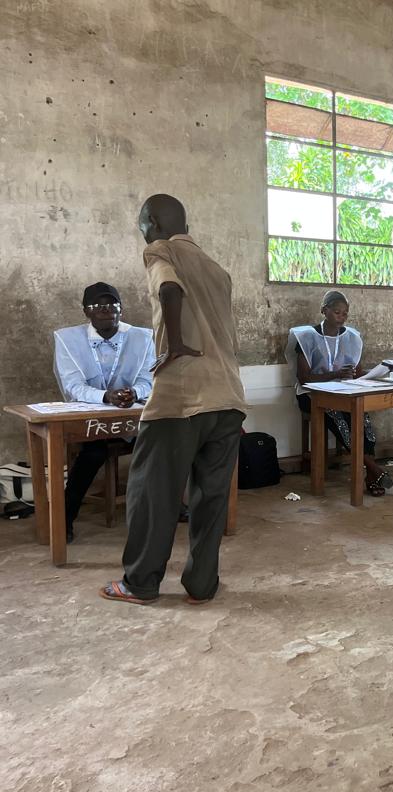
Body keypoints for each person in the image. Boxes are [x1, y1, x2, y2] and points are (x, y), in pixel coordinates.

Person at [100, 194, 247, 606]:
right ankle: (202, 584)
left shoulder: (160, 250)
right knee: (211, 498)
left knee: (152, 493)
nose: (142, 232)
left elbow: (168, 287)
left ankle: (140, 583)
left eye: (142, 224)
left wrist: (176, 345)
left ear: (153, 222)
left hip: (182, 396)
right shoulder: (216, 268)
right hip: (228, 395)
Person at [53, 282, 154, 543]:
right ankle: (65, 518)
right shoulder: (69, 340)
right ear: (86, 311)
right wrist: (105, 396)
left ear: (121, 309)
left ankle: (166, 507)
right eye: (97, 305)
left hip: (129, 417)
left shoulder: (141, 337)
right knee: (93, 453)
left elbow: (149, 379)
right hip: (92, 419)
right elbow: (73, 385)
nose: (106, 310)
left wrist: (134, 393)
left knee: (159, 443)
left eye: (112, 304)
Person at [287, 290, 393, 496]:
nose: (341, 317)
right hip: (312, 395)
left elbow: (358, 373)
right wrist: (335, 374)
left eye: (345, 313)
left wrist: (373, 374)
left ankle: (372, 474)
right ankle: (374, 469)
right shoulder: (307, 337)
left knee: (363, 420)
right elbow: (304, 378)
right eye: (337, 312)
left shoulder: (351, 337)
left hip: (343, 392)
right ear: (324, 310)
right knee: (340, 420)